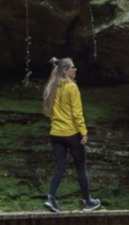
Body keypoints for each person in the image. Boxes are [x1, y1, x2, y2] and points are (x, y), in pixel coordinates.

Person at [42, 57, 101, 213]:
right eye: (73, 68)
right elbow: (77, 113)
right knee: (80, 168)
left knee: (60, 167)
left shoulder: (52, 87)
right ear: (65, 71)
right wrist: (84, 132)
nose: (76, 70)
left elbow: (49, 112)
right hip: (71, 134)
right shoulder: (71, 87)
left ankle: (50, 198)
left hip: (55, 133)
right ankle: (87, 202)